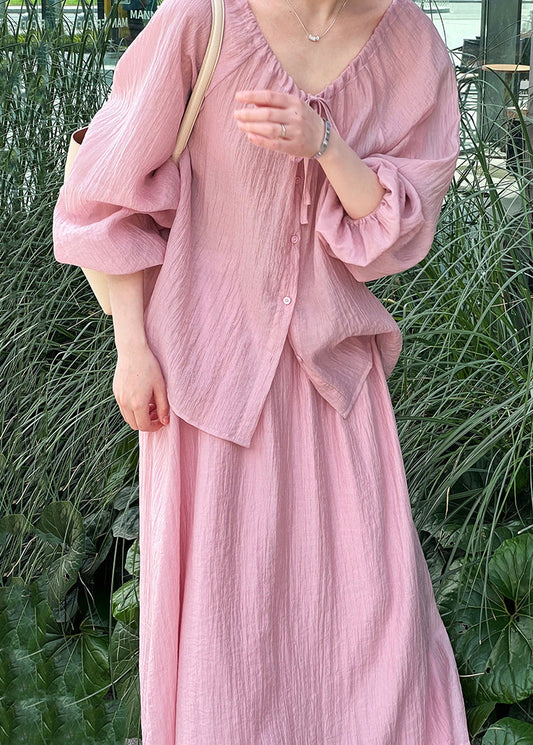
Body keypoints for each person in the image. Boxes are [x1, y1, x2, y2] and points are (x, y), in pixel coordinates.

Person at [52, 0, 471, 742]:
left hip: (333, 385)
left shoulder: (411, 47)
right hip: (204, 382)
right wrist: (132, 349)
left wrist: (325, 144)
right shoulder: (202, 19)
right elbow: (104, 188)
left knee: (374, 618)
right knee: (225, 635)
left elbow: (390, 236)